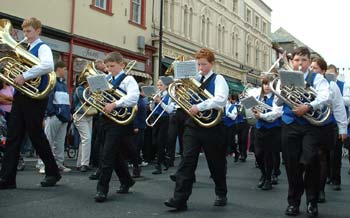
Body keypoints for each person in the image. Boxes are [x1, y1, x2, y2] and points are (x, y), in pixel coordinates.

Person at [164, 48, 229, 211]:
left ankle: (221, 192)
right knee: (187, 161)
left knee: (216, 163)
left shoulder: (218, 79)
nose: (200, 68)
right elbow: (185, 98)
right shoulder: (194, 78)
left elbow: (220, 100)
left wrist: (199, 106)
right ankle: (180, 199)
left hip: (212, 126)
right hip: (193, 125)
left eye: (204, 64)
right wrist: (179, 93)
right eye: (198, 64)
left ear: (212, 64)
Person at [0, 17, 61, 189]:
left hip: (35, 98)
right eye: (24, 31)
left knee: (36, 136)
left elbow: (48, 65)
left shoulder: (43, 48)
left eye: (29, 31)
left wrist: (24, 76)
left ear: (38, 31)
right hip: (21, 95)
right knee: (13, 136)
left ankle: (53, 172)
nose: (25, 35)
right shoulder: (25, 49)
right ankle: (7, 178)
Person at [276, 47, 329, 217]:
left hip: (310, 125)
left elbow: (324, 97)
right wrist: (283, 88)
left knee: (311, 161)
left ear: (309, 61)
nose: (300, 63)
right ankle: (293, 203)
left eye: (303, 60)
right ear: (292, 61)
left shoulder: (318, 78)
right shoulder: (284, 76)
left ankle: (312, 202)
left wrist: (308, 105)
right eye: (297, 60)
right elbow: (277, 102)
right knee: (292, 166)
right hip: (289, 124)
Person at [94, 51, 139, 202]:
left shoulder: (129, 79)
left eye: (112, 66)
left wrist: (115, 104)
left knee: (107, 154)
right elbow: (99, 96)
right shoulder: (106, 78)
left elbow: (133, 97)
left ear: (122, 65)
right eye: (107, 66)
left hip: (120, 121)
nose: (109, 69)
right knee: (115, 153)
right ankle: (127, 180)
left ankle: (102, 189)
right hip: (105, 119)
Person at [310, 58, 347, 203]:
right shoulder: (305, 82)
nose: (313, 71)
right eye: (311, 68)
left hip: (326, 125)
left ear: (323, 72)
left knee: (321, 157)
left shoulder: (332, 85)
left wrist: (342, 128)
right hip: (308, 125)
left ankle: (320, 190)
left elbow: (338, 107)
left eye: (316, 69)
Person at [38, 61, 72, 174]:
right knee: (48, 141)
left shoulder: (63, 84)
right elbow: (48, 99)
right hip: (55, 116)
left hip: (63, 117)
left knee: (59, 142)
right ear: (59, 69)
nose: (66, 71)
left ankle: (58, 163)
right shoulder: (52, 82)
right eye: (65, 69)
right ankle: (43, 164)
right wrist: (53, 113)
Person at [252, 77, 282, 191]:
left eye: (269, 84)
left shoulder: (276, 98)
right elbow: (253, 110)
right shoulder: (258, 97)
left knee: (268, 155)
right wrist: (254, 111)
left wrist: (262, 116)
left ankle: (268, 179)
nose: (267, 86)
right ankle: (264, 174)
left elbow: (276, 113)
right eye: (265, 84)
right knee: (258, 154)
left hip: (273, 129)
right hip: (260, 128)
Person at [326, 64, 350, 191]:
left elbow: (348, 100)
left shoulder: (343, 85)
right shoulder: (324, 84)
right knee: (326, 153)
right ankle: (328, 176)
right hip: (326, 121)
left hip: (337, 122)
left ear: (336, 73)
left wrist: (335, 97)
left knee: (336, 153)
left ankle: (336, 179)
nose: (330, 76)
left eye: (332, 74)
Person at [150, 77, 174, 174]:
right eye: (158, 85)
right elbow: (152, 109)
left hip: (165, 119)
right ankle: (165, 160)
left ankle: (158, 165)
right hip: (155, 118)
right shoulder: (157, 95)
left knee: (160, 142)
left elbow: (169, 110)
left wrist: (160, 101)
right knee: (155, 141)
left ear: (166, 86)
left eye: (161, 85)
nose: (158, 87)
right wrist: (153, 101)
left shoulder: (170, 96)